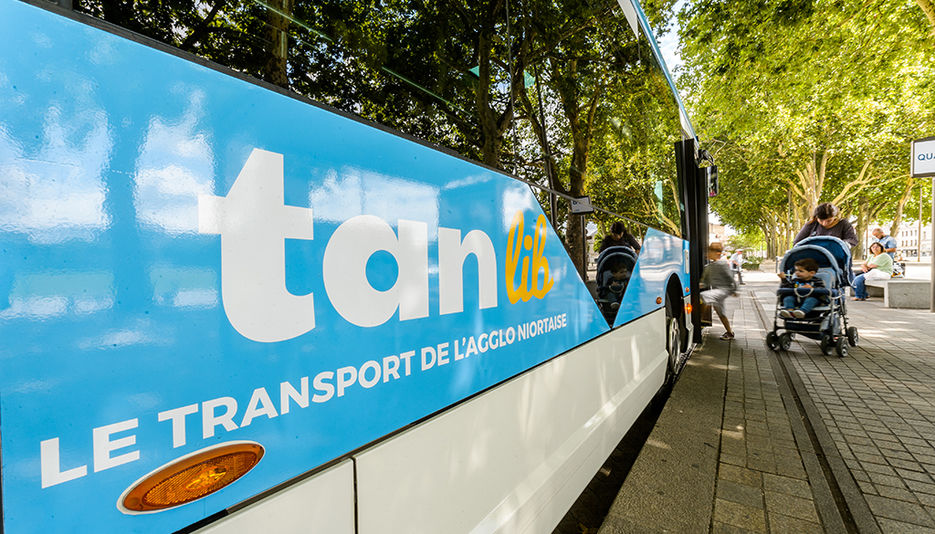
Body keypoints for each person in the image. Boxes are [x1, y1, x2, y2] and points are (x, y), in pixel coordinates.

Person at [700, 242, 737, 340]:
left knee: (704, 295)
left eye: (709, 251)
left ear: (717, 253)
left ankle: (701, 319)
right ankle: (730, 333)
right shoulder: (708, 267)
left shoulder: (722, 264)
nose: (707, 253)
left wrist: (734, 290)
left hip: (724, 290)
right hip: (716, 291)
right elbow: (706, 283)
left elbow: (731, 278)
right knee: (721, 313)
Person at [793, 202, 858, 248]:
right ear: (816, 218)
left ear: (835, 217)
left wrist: (839, 244)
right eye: (821, 220)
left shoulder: (843, 224)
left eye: (829, 221)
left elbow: (853, 240)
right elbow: (797, 242)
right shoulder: (811, 224)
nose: (824, 223)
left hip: (836, 258)